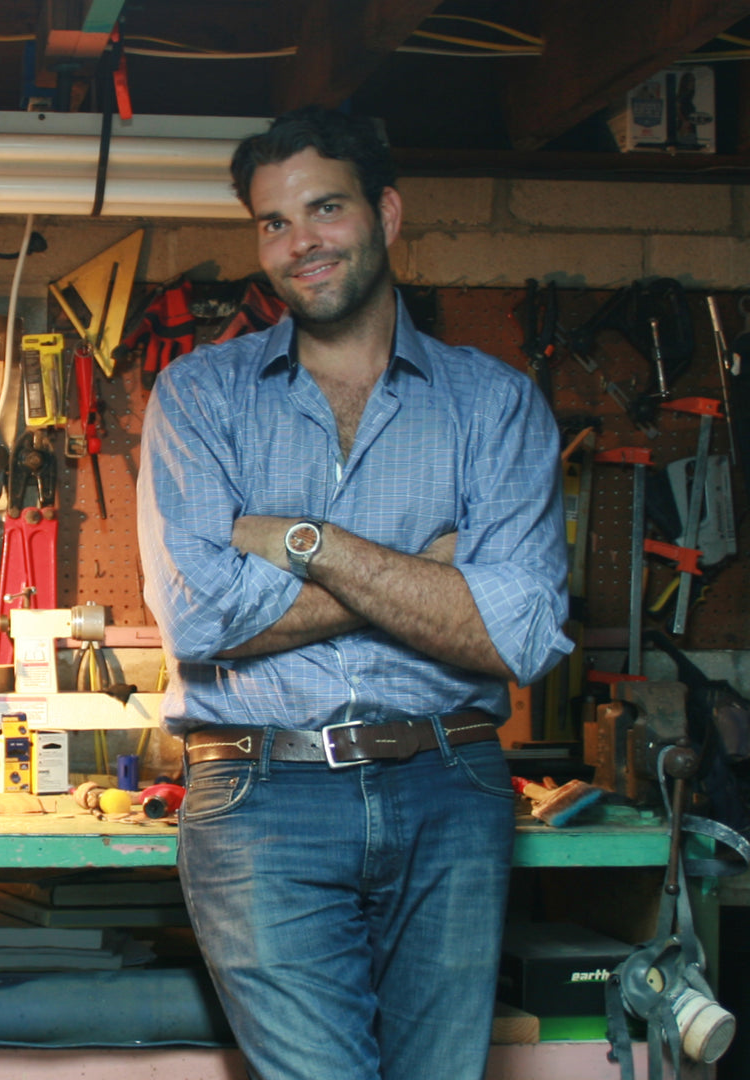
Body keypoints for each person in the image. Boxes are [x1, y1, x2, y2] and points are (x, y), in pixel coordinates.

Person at [136, 106, 573, 1080]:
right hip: (260, 792)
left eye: (323, 209)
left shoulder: (492, 405)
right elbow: (201, 618)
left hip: (447, 784)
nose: (300, 245)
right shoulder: (201, 399)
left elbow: (523, 628)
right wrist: (426, 573)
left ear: (385, 212)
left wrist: (302, 543)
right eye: (273, 223)